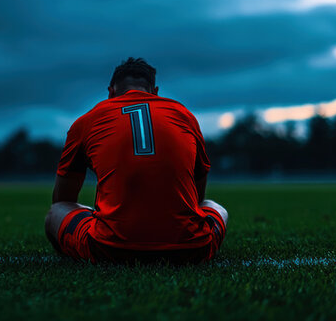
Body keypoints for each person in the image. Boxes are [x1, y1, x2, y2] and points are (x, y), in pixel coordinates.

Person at [45, 57, 228, 265]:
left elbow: (63, 198)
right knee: (215, 206)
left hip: (110, 248)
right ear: (155, 91)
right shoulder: (184, 115)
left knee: (56, 212)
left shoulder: (87, 121)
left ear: (111, 92)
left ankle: (80, 256)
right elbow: (197, 197)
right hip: (191, 248)